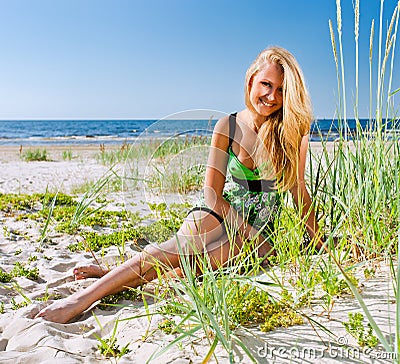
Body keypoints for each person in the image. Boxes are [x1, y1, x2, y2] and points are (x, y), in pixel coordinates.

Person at [35, 46, 323, 323]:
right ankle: (83, 299)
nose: (272, 96)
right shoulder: (228, 126)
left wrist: (321, 243)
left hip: (257, 229)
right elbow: (212, 194)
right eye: (266, 84)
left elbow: (298, 190)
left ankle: (114, 274)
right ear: (251, 81)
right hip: (218, 213)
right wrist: (247, 232)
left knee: (190, 267)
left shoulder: (293, 130)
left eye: (282, 90)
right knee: (183, 245)